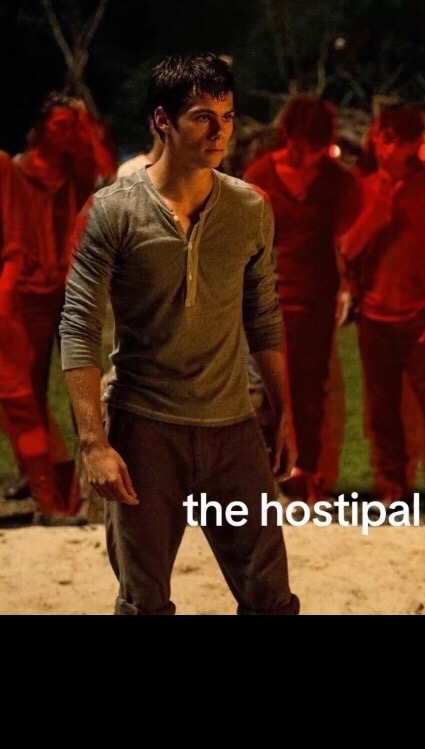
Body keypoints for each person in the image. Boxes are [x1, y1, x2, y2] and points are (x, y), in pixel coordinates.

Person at [60, 52, 300, 615]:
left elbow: (263, 314)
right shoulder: (112, 212)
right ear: (161, 121)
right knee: (144, 602)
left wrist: (284, 411)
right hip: (145, 429)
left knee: (270, 598)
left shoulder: (250, 208)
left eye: (228, 116)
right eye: (202, 117)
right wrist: (95, 443)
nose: (220, 132)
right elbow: (79, 325)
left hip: (232, 426)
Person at [340, 104, 425, 505]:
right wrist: (375, 216)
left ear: (413, 144)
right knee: (382, 409)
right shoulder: (362, 189)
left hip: (420, 315)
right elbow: (346, 250)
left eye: (394, 141)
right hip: (374, 315)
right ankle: (392, 485)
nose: (384, 148)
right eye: (380, 138)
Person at [244, 95, 362, 506]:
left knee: (311, 388)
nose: (306, 153)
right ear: (288, 135)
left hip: (315, 296)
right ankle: (270, 473)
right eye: (300, 142)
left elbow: (345, 239)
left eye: (315, 146)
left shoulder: (336, 181)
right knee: (267, 387)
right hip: (268, 295)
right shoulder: (261, 174)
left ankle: (308, 472)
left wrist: (347, 287)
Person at [3, 92, 111, 521]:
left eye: (72, 127)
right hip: (29, 289)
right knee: (27, 388)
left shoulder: (76, 171)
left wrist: (85, 126)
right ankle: (40, 476)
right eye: (60, 126)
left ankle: (86, 478)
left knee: (82, 381)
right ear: (41, 128)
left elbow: (101, 166)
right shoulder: (17, 170)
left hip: (71, 287)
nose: (68, 134)